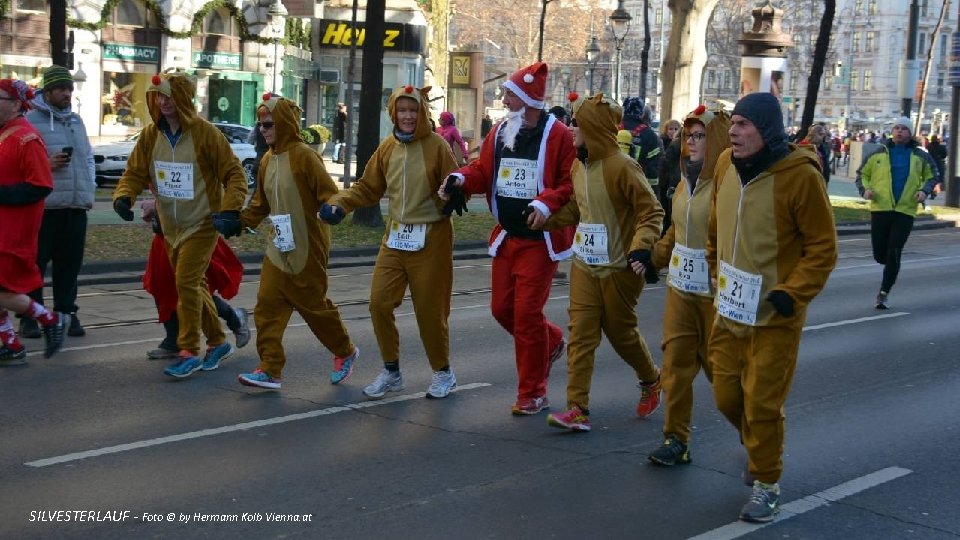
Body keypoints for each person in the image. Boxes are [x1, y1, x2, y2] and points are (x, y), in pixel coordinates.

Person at [707, 92, 837, 523]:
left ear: (766, 130)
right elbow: (714, 226)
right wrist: (713, 268)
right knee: (727, 397)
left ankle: (767, 483)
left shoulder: (800, 177)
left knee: (762, 402)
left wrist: (792, 293)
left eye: (744, 124)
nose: (735, 132)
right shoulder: (725, 164)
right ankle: (761, 446)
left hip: (775, 315)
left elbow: (822, 247)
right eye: (734, 124)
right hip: (728, 309)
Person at [441, 62, 575, 415]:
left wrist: (545, 203)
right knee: (502, 309)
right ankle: (553, 341)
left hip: (539, 240)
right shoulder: (501, 131)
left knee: (527, 314)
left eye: (509, 95)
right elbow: (482, 171)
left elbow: (568, 182)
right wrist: (459, 179)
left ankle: (533, 392)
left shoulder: (558, 135)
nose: (503, 100)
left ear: (528, 100)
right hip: (508, 237)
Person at [536, 93, 663, 432]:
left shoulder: (622, 166)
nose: (570, 128)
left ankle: (651, 378)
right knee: (581, 334)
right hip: (585, 265)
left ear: (591, 127)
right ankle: (577, 408)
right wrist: (544, 219)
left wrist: (641, 247)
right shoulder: (580, 164)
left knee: (621, 333)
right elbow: (578, 209)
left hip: (621, 268)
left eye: (576, 123)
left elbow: (651, 211)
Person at [321, 85, 458, 399]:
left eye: (413, 110)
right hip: (395, 238)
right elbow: (368, 188)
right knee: (379, 303)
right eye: (402, 110)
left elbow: (458, 181)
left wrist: (455, 193)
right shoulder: (387, 148)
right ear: (393, 113)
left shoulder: (437, 146)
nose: (408, 116)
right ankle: (392, 371)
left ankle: (443, 372)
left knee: (429, 311)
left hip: (431, 238)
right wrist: (339, 203)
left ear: (422, 113)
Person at [112, 71, 248, 379]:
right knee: (194, 286)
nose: (163, 102)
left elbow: (234, 174)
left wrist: (229, 210)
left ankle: (189, 350)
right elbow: (134, 172)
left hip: (202, 224)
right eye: (159, 96)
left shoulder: (206, 134)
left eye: (170, 96)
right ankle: (217, 340)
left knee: (185, 282)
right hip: (170, 227)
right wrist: (124, 196)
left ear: (183, 99)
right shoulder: (150, 135)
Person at [234, 94, 359, 390]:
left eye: (268, 124)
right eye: (260, 124)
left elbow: (329, 191)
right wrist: (238, 222)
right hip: (278, 246)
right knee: (266, 306)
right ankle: (270, 368)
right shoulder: (267, 159)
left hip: (308, 245)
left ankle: (345, 351)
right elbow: (260, 204)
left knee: (314, 307)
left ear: (284, 123)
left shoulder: (305, 155)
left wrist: (335, 207)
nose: (263, 130)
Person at [646, 105, 730, 464]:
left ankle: (755, 438)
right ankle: (675, 440)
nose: (691, 143)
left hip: (715, 297)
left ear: (716, 141)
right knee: (676, 368)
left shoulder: (727, 187)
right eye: (688, 136)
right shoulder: (683, 183)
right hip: (680, 290)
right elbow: (676, 233)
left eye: (699, 136)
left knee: (726, 379)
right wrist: (650, 258)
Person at [18, 65, 95, 340]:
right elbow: (18, 163)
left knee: (69, 264)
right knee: (35, 265)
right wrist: (46, 165)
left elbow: (87, 156)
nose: (67, 94)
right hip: (44, 206)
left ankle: (66, 313)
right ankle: (30, 317)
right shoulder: (28, 120)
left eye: (69, 89)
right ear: (47, 91)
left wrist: (90, 188)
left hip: (75, 205)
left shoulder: (76, 120)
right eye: (61, 89)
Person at [0, 78, 66, 365]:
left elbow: (40, 185)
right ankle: (12, 345)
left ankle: (50, 319)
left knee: (3, 290)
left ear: (15, 104)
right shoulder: (5, 135)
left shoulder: (27, 138)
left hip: (14, 230)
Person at [140, 199, 250, 361]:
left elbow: (200, 191)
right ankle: (173, 340)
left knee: (191, 286)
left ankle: (234, 320)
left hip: (195, 233)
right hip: (166, 235)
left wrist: (157, 204)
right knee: (162, 285)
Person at [855, 116, 936, 310]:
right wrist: (865, 190)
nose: (899, 131)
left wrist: (924, 191)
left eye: (904, 129)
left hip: (905, 211)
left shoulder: (920, 155)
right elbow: (861, 174)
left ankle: (883, 293)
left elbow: (933, 175)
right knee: (879, 254)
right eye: (897, 128)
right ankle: (890, 265)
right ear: (892, 132)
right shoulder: (878, 152)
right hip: (880, 208)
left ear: (910, 133)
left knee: (894, 251)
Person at [620, 98, 662, 193]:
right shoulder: (649, 135)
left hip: (611, 183)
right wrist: (653, 192)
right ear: (642, 114)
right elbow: (652, 168)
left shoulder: (612, 128)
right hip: (636, 187)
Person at [659, 119, 683, 235]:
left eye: (675, 128)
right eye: (670, 128)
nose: (673, 131)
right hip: (669, 183)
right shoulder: (664, 142)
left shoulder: (677, 144)